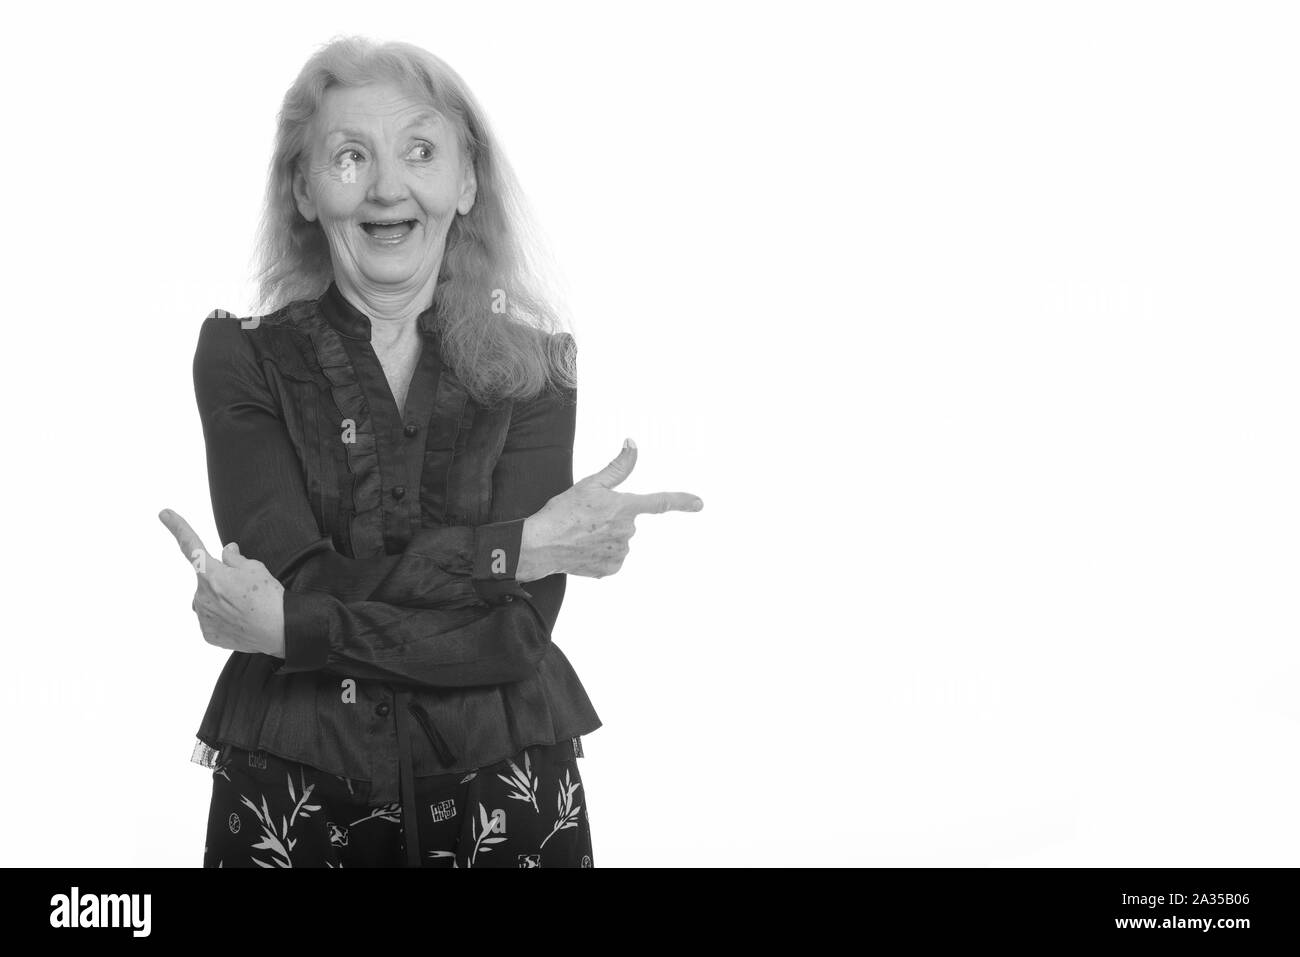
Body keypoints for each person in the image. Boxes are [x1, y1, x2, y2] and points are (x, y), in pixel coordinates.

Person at [158, 35, 702, 868]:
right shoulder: (242, 360)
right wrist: (514, 548)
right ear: (304, 189)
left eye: (420, 150)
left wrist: (291, 628)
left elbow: (513, 636)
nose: (387, 186)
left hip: (503, 794)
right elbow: (300, 576)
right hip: (297, 795)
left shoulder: (537, 370)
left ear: (466, 179)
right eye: (349, 156)